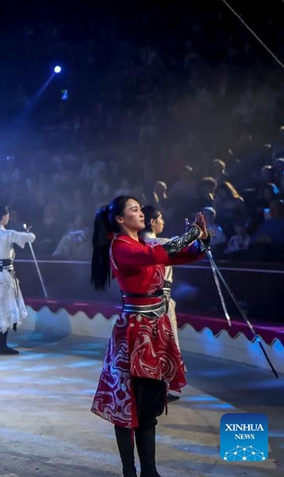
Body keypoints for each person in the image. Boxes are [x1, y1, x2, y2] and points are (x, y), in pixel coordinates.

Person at [91, 196, 209, 477]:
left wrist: (202, 240)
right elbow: (158, 255)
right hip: (135, 333)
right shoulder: (121, 247)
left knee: (150, 406)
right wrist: (192, 232)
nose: (140, 212)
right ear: (120, 220)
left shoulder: (143, 243)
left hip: (155, 331)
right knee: (130, 403)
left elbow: (181, 255)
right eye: (133, 209)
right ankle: (129, 471)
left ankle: (150, 471)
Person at [0, 203, 35, 355]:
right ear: (3, 216)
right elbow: (31, 237)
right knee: (3, 311)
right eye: (7, 215)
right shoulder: (6, 234)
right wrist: (26, 231)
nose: (8, 217)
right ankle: (1, 346)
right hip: (4, 277)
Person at [140, 205, 181, 403]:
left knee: (150, 343)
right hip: (161, 299)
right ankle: (159, 389)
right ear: (152, 221)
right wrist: (199, 233)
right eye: (160, 218)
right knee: (164, 343)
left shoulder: (136, 243)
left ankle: (154, 388)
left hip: (144, 300)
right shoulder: (161, 243)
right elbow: (183, 244)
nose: (163, 222)